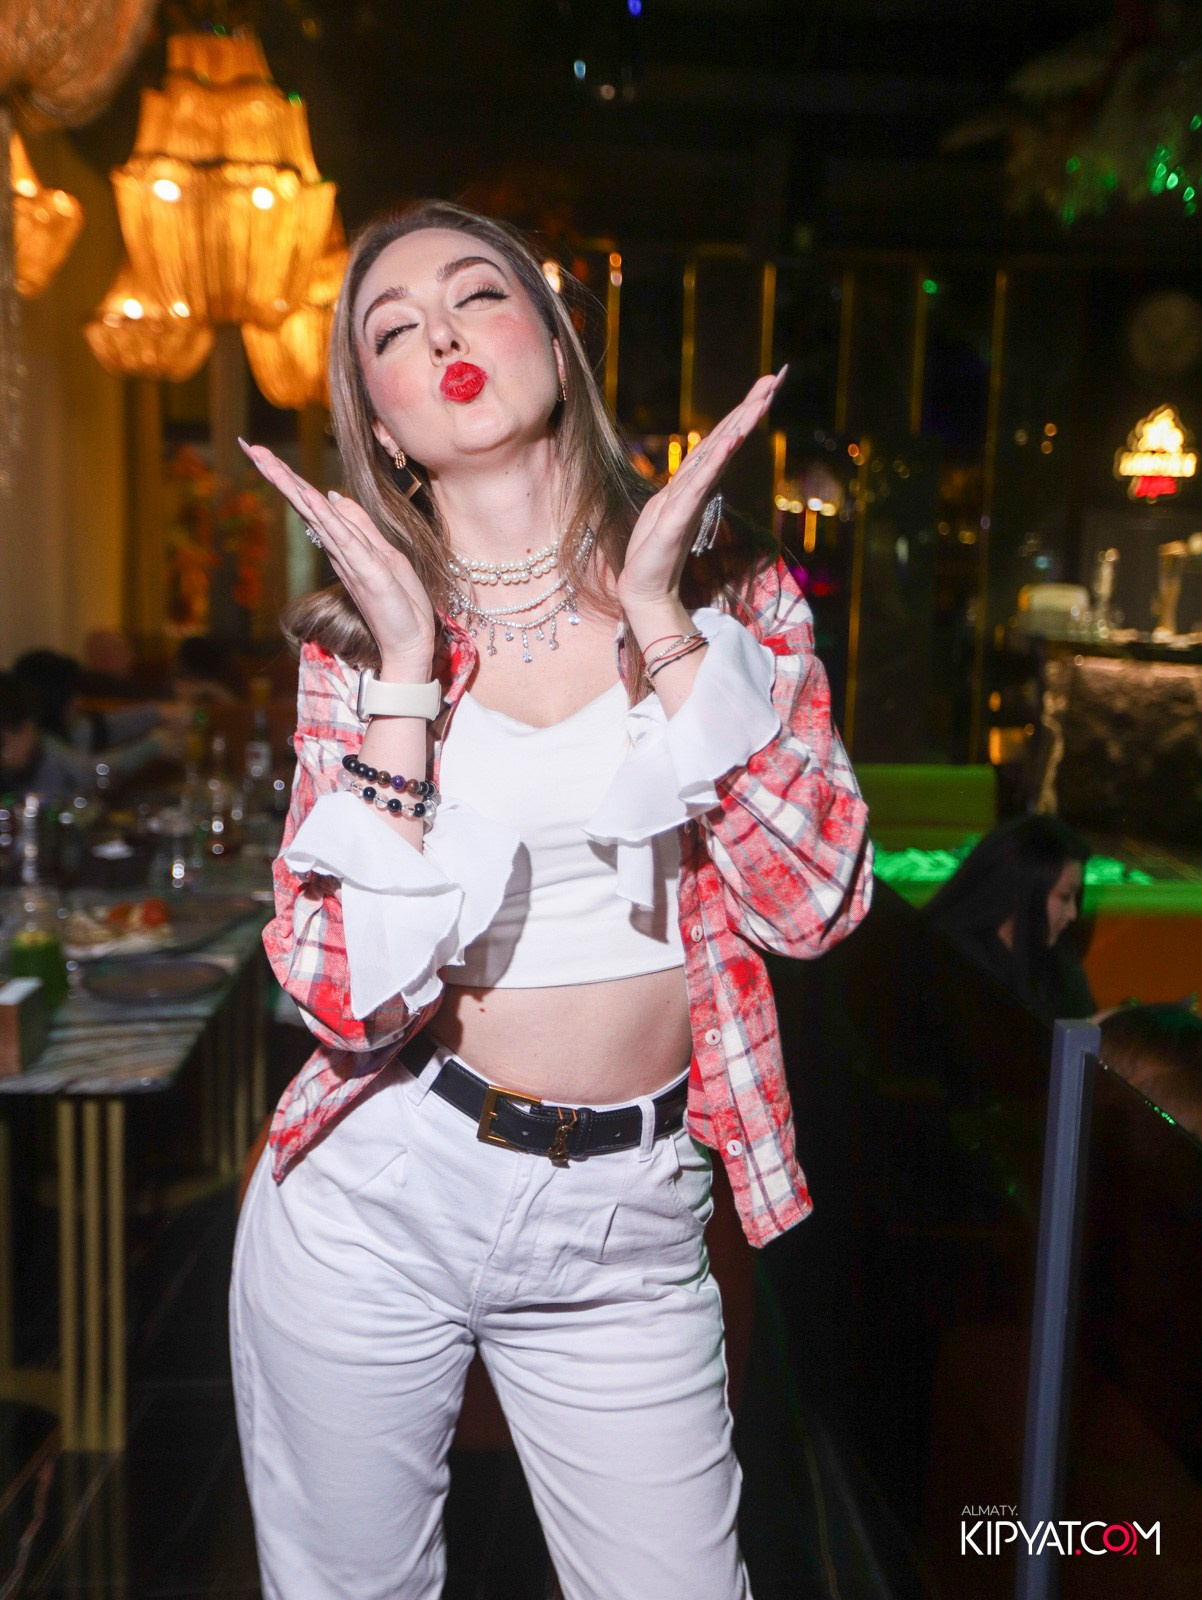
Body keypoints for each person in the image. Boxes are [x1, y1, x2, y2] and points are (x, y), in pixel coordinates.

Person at [230, 199, 872, 1600]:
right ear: (383, 425)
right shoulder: (357, 650)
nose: (442, 332)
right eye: (393, 329)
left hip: (630, 1224)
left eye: (477, 294)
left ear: (555, 340)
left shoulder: (729, 592)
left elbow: (813, 904)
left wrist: (661, 622)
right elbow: (344, 997)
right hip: (383, 1197)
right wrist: (406, 673)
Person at [924, 813, 1094, 1022]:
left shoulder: (1059, 959)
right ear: (1024, 889)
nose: (1073, 914)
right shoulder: (952, 962)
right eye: (1065, 897)